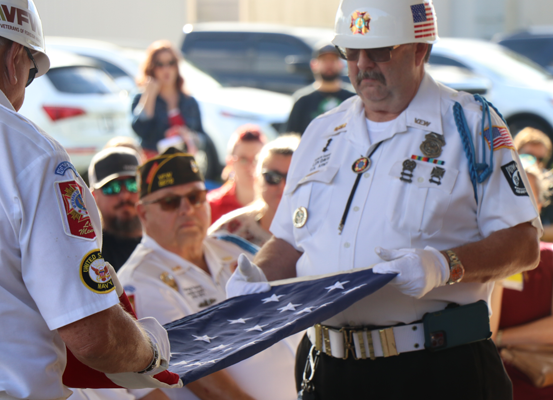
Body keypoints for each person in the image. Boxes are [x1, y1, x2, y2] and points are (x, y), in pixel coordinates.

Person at [226, 1, 542, 399]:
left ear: (419, 49)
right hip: (329, 368)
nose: (362, 65)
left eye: (379, 51)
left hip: (435, 368)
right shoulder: (323, 131)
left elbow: (523, 245)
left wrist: (444, 266)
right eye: (351, 53)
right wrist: (259, 278)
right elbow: (290, 240)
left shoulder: (471, 125)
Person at [0, 2, 172, 399]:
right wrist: (152, 352)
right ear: (15, 58)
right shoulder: (25, 151)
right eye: (32, 75)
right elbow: (94, 336)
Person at [118, 148, 298, 400]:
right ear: (143, 213)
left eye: (195, 197)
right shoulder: (139, 280)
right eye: (170, 202)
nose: (187, 209)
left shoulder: (231, 247)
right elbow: (188, 366)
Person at [490, 154, 553, 400]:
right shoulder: (482, 261)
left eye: (526, 196)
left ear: (539, 205)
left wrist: (504, 338)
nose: (517, 207)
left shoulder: (550, 260)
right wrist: (500, 262)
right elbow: (487, 332)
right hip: (495, 386)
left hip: (541, 385)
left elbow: (493, 337)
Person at [131, 40, 220, 180]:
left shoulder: (189, 101)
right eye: (159, 64)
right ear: (151, 68)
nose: (166, 69)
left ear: (177, 66)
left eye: (171, 63)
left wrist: (187, 135)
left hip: (183, 167)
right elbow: (139, 129)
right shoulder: (141, 97)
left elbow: (203, 139)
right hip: (155, 169)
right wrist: (149, 95)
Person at [209, 134, 301, 247]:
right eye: (272, 177)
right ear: (257, 179)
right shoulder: (229, 231)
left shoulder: (319, 229)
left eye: (291, 178)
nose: (283, 186)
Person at [89, 147, 143, 271]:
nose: (125, 195)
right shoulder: (91, 255)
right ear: (94, 196)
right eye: (112, 187)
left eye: (133, 184)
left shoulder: (165, 242)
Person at [285, 43, 355, 135]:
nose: (329, 64)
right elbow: (291, 137)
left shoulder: (354, 99)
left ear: (341, 64)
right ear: (313, 65)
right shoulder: (303, 100)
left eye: (333, 60)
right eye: (324, 60)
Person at [207, 124, 266, 224]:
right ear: (230, 162)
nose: (251, 167)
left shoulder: (277, 204)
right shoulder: (211, 205)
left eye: (257, 159)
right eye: (243, 159)